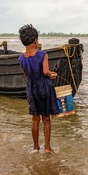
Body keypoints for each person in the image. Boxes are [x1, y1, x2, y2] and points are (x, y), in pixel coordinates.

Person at [18, 24, 59, 153]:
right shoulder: (42, 54)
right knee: (46, 118)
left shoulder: (21, 58)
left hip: (32, 89)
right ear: (35, 40)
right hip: (44, 88)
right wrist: (52, 74)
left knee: (35, 119)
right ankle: (47, 147)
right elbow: (46, 71)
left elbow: (26, 75)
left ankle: (35, 147)